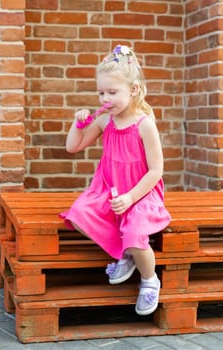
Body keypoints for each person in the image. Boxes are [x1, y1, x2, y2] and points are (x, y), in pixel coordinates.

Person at [59, 44, 171, 316]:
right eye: (101, 92)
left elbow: (156, 170)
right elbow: (73, 147)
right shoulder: (105, 120)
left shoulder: (144, 123)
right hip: (108, 189)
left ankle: (149, 279)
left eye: (112, 92)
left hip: (141, 193)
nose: (104, 98)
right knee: (79, 214)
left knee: (135, 231)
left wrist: (132, 197)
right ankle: (125, 253)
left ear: (132, 90)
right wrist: (78, 124)